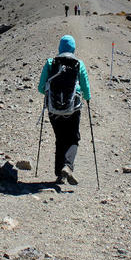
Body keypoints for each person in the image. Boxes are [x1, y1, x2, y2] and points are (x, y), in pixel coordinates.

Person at [37, 35, 91, 185]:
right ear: (73, 48)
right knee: (73, 138)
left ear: (60, 47)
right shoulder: (78, 64)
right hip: (73, 108)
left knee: (60, 139)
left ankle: (59, 174)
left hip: (54, 109)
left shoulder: (51, 62)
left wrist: (50, 94)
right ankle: (67, 166)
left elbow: (41, 87)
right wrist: (87, 98)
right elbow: (86, 88)